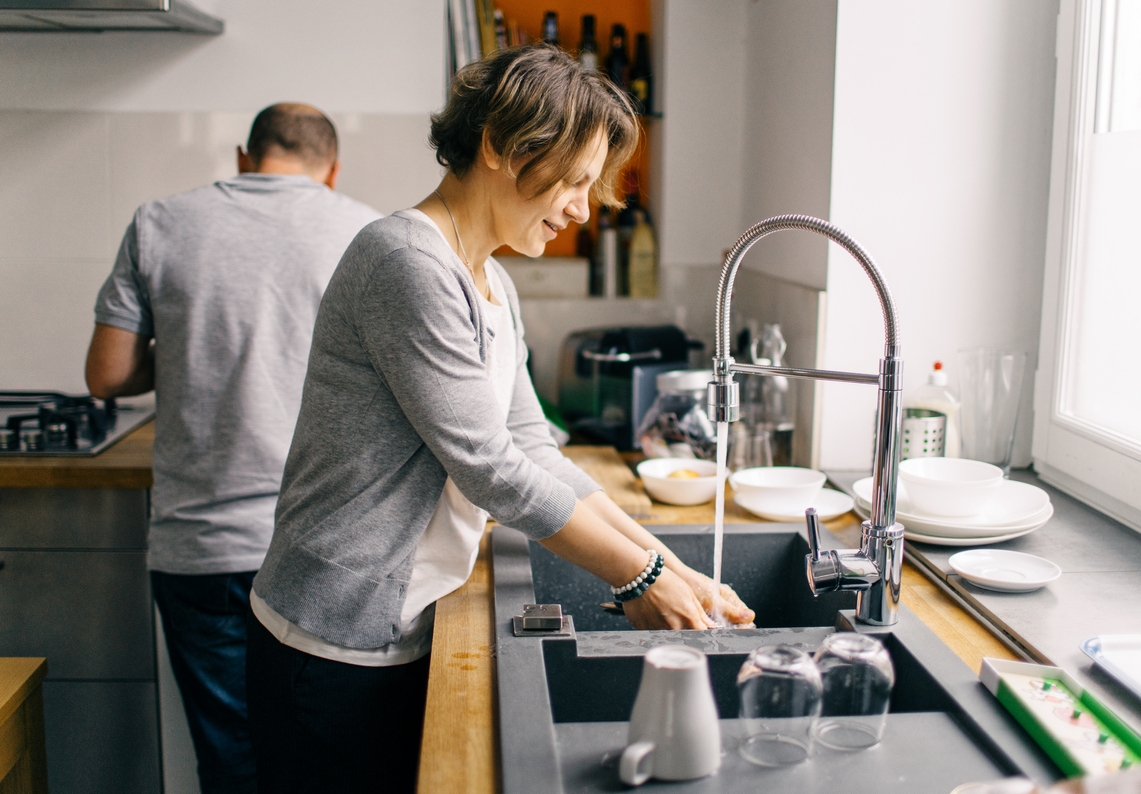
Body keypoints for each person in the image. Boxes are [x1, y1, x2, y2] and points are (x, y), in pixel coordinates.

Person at [244, 44, 755, 794]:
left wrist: (677, 568)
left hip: (400, 623)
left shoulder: (490, 280)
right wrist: (639, 577)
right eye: (576, 180)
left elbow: (531, 448)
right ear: (497, 145)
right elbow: (487, 465)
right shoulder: (405, 262)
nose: (584, 207)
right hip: (330, 643)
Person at [84, 103, 381, 794]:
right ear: (330, 171)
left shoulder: (158, 221)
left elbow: (107, 374)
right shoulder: (368, 230)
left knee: (234, 765)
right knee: (326, 768)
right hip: (325, 550)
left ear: (246, 159)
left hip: (202, 547)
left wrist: (191, 349)